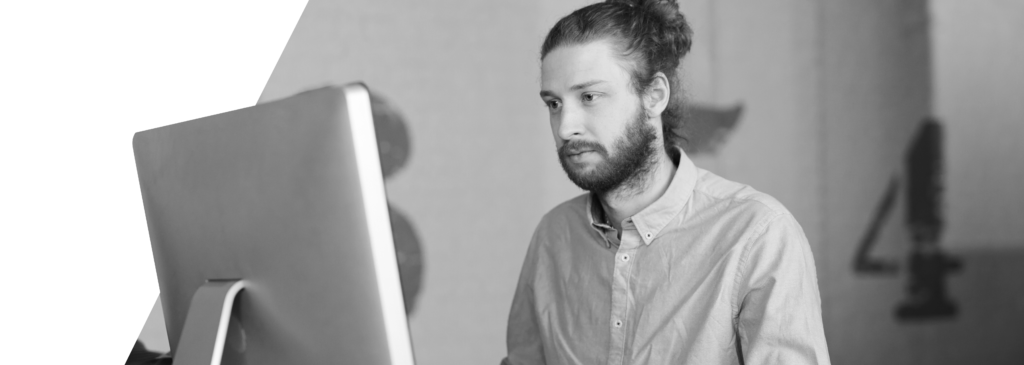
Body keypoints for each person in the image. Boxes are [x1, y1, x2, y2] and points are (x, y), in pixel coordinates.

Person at [503, 1, 831, 364]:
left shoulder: (757, 236)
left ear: (654, 96)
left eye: (589, 97)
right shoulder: (553, 236)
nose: (566, 127)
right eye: (553, 104)